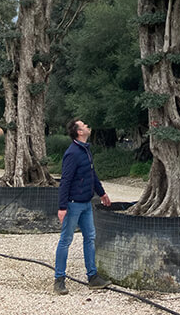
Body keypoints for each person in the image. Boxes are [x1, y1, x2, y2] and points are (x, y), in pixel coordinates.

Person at [54, 118, 111, 295]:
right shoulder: (72, 153)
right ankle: (59, 280)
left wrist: (101, 193)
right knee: (66, 240)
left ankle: (93, 277)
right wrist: (62, 207)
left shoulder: (85, 150)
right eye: (84, 125)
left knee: (90, 238)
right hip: (73, 205)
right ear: (79, 132)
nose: (87, 126)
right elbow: (65, 181)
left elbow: (91, 174)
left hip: (86, 203)